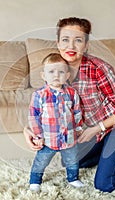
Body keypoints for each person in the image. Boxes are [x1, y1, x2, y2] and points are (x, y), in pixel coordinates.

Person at [23, 17, 115, 193]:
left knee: (105, 183)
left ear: (86, 45)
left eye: (78, 40)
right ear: (58, 43)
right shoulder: (57, 71)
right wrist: (28, 130)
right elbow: (43, 106)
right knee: (70, 161)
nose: (71, 46)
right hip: (99, 132)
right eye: (65, 39)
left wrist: (96, 129)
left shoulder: (98, 68)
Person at [28, 53, 85, 192]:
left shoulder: (71, 93)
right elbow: (33, 116)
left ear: (66, 75)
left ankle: (73, 178)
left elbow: (77, 111)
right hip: (48, 139)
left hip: (69, 138)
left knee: (72, 160)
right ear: (44, 75)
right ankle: (35, 180)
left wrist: (78, 129)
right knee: (41, 161)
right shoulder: (39, 95)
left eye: (60, 72)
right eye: (51, 72)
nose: (56, 75)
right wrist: (37, 136)